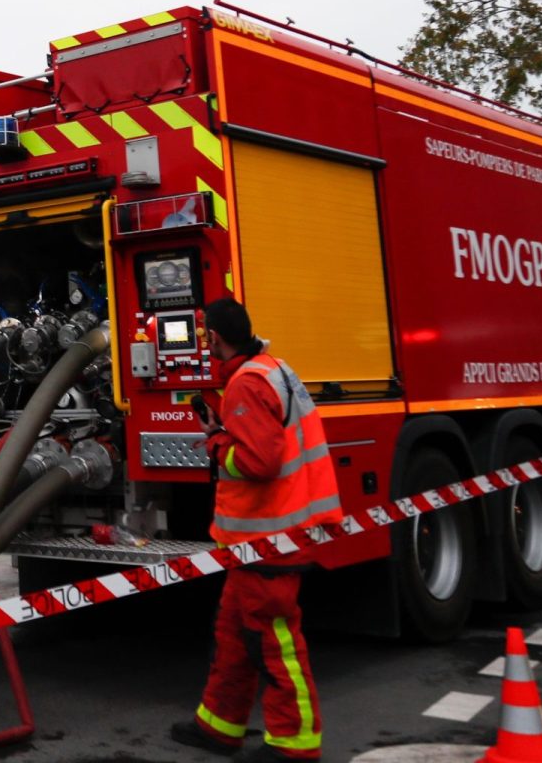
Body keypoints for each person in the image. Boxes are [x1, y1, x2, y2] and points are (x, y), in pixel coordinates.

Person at [171, 298, 340, 762]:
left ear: (216, 340)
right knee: (232, 632)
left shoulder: (245, 384)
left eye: (206, 339)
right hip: (266, 537)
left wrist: (215, 442)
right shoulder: (273, 368)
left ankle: (295, 743)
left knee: (272, 639)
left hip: (269, 539)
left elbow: (259, 462)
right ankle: (219, 725)